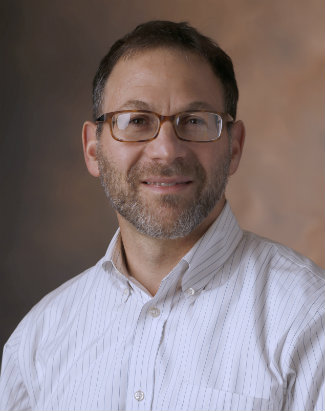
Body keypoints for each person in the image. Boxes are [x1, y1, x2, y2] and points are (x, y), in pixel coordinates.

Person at [0, 20, 324, 411]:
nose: (166, 152)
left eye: (194, 121)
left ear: (234, 147)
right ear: (92, 149)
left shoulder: (309, 319)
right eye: (136, 121)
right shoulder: (36, 342)